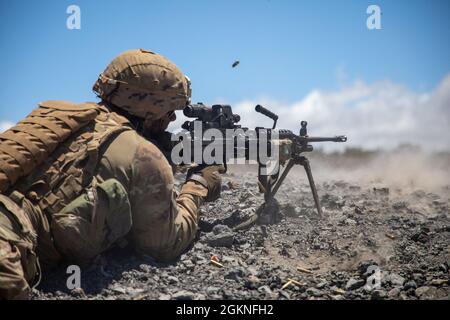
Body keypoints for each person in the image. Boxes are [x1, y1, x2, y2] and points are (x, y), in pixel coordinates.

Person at [0, 49, 224, 299]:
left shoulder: (62, 117)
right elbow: (165, 243)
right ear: (151, 109)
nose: (171, 118)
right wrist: (198, 184)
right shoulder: (143, 153)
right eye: (169, 111)